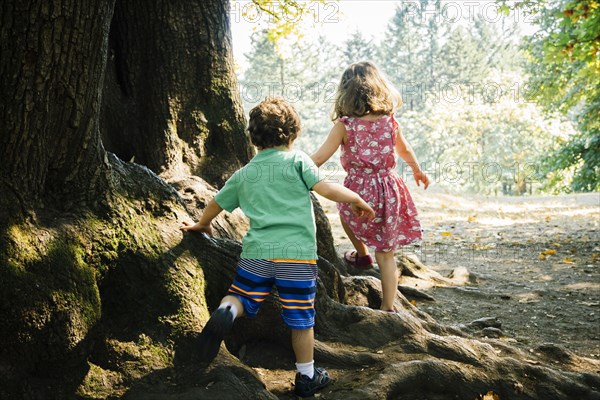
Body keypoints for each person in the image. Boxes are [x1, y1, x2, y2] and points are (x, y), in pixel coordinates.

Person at [180, 97, 374, 398]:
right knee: (301, 319)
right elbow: (326, 188)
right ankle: (307, 375)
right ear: (293, 133)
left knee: (241, 295)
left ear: (254, 138)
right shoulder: (299, 162)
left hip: (258, 253)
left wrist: (202, 224)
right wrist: (354, 198)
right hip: (296, 257)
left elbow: (217, 202)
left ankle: (227, 310)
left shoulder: (246, 173)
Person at [311, 61, 429, 313]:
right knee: (386, 254)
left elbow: (319, 158)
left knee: (345, 212)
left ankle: (361, 252)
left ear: (345, 93)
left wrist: (291, 165)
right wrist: (417, 170)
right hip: (389, 188)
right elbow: (405, 149)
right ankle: (388, 306)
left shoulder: (344, 125)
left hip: (357, 190)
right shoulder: (389, 122)